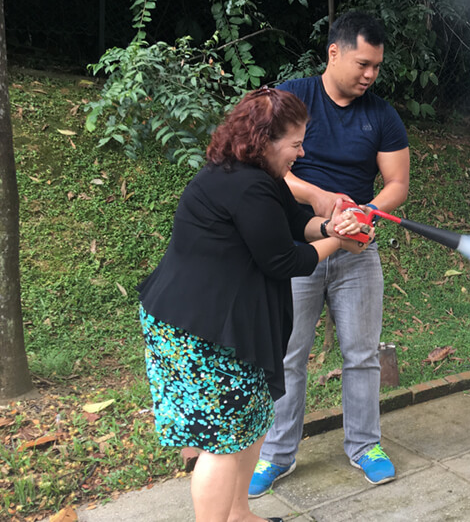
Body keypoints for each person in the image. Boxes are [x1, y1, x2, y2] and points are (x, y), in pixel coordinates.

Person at [137, 88, 370, 522]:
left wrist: (331, 226)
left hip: (226, 323)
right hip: (196, 330)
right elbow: (283, 260)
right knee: (222, 445)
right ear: (265, 141)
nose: (301, 153)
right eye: (296, 144)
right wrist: (340, 242)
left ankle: (239, 515)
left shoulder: (259, 174)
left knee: (252, 422)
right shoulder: (245, 185)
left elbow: (295, 224)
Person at [249, 11, 410, 495]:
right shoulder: (292, 98)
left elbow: (397, 183)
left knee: (361, 354)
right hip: (295, 246)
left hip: (356, 250)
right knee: (287, 354)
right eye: (363, 64)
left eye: (377, 66)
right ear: (334, 52)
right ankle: (276, 454)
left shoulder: (381, 115)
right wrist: (317, 197)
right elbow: (265, 163)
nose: (370, 75)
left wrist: (365, 212)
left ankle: (365, 445)